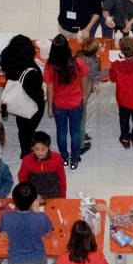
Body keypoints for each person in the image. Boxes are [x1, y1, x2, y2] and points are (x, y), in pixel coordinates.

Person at [45, 35, 88, 169]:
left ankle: (64, 157)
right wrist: (84, 94)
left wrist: (49, 107)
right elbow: (84, 78)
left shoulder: (50, 67)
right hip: (76, 102)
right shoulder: (78, 63)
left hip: (59, 104)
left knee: (61, 132)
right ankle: (74, 160)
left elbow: (50, 88)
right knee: (75, 132)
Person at [18, 131, 68, 198]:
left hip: (54, 194)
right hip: (35, 195)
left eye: (43, 149)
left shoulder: (57, 158)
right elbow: (23, 179)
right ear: (32, 148)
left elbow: (62, 178)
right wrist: (28, 194)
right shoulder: (27, 160)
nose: (40, 152)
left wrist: (63, 196)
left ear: (48, 147)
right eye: (37, 149)